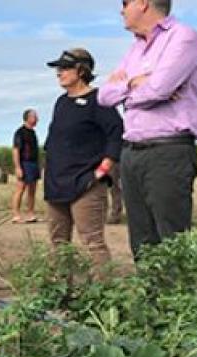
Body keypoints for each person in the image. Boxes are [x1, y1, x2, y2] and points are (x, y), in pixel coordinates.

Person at [98, 0, 197, 257]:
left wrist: (127, 89)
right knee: (141, 241)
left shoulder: (184, 37)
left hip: (167, 150)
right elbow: (103, 96)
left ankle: (177, 297)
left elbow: (159, 88)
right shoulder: (136, 48)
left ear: (144, 3)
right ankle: (151, 298)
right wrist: (135, 84)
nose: (121, 9)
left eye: (125, 3)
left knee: (171, 241)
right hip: (132, 152)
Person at [44, 48, 123, 276]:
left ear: (81, 70)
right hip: (56, 183)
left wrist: (103, 169)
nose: (59, 73)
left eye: (64, 68)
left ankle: (104, 299)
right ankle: (62, 294)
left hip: (85, 184)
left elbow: (116, 133)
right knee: (59, 243)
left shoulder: (99, 100)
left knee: (92, 243)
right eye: (58, 69)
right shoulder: (61, 102)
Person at [11, 109, 40, 224]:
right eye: (35, 117)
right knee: (20, 189)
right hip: (24, 163)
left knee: (32, 190)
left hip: (33, 164)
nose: (37, 119)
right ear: (28, 118)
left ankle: (30, 213)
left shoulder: (33, 133)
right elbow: (15, 150)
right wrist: (18, 167)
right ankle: (16, 214)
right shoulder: (20, 132)